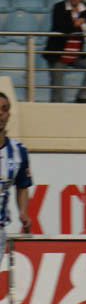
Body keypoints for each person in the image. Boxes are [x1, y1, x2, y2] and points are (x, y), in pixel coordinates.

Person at [43, 0, 86, 103]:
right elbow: (58, 27)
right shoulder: (59, 7)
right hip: (59, 54)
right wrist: (74, 25)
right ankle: (57, 108)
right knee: (57, 90)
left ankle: (84, 96)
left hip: (76, 54)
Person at [0, 92, 32, 255]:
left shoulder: (18, 151)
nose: (0, 113)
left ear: (8, 115)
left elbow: (22, 185)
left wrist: (22, 212)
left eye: (4, 109)